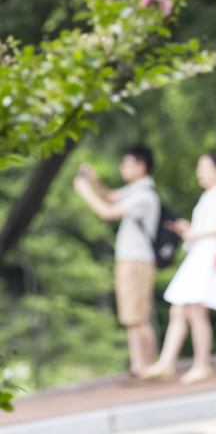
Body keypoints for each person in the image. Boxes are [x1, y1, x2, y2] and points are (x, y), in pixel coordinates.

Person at [141, 152, 216, 385]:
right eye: (199, 167)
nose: (200, 172)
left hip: (209, 255)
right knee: (179, 308)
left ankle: (201, 364)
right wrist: (190, 233)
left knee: (195, 310)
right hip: (198, 254)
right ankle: (166, 362)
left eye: (205, 167)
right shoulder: (208, 195)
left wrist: (195, 233)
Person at [73, 145, 160, 375]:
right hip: (130, 259)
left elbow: (107, 212)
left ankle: (148, 367)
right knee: (132, 317)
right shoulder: (133, 190)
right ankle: (139, 366)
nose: (122, 168)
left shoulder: (144, 195)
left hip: (138, 260)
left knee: (138, 317)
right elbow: (110, 196)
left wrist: (84, 191)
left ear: (141, 166)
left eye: (127, 163)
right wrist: (94, 181)